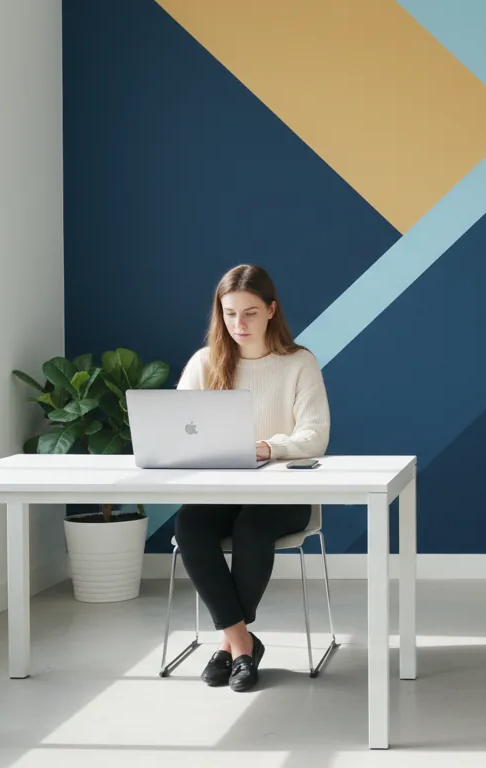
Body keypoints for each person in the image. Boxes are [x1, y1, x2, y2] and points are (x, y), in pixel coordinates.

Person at [173, 264, 330, 692]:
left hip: (284, 495)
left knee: (251, 527)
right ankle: (242, 645)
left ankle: (229, 649)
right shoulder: (205, 363)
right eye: (229, 314)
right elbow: (174, 426)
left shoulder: (299, 363)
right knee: (189, 525)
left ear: (272, 310)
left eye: (250, 313)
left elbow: (314, 437)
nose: (238, 324)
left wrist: (268, 447)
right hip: (222, 490)